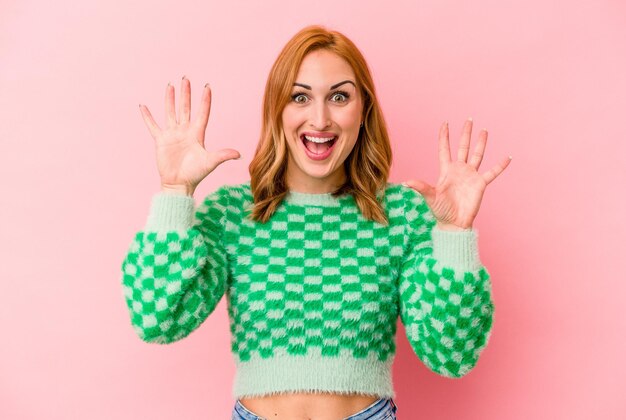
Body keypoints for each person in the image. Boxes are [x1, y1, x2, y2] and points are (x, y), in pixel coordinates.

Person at [121, 25, 511, 420]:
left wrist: (455, 234)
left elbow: (451, 354)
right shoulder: (232, 213)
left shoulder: (403, 215)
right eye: (300, 97)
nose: (320, 118)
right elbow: (157, 319)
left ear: (364, 111)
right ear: (278, 108)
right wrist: (174, 192)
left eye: (339, 97)